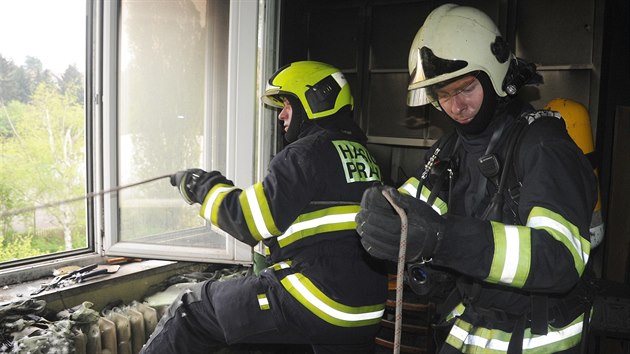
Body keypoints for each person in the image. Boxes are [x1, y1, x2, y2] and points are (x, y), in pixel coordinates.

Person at [356, 4, 597, 354]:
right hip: (472, 326)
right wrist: (385, 212)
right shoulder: (451, 148)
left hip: (535, 340)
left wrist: (443, 239)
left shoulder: (544, 145)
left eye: (465, 88)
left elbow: (559, 258)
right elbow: (416, 211)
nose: (456, 107)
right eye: (443, 94)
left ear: (495, 75)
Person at [140, 61, 388, 354]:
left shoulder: (304, 154)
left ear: (314, 101)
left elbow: (249, 220)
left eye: (287, 104)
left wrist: (201, 186)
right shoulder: (365, 158)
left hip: (317, 298)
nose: (281, 114)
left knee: (192, 308)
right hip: (363, 310)